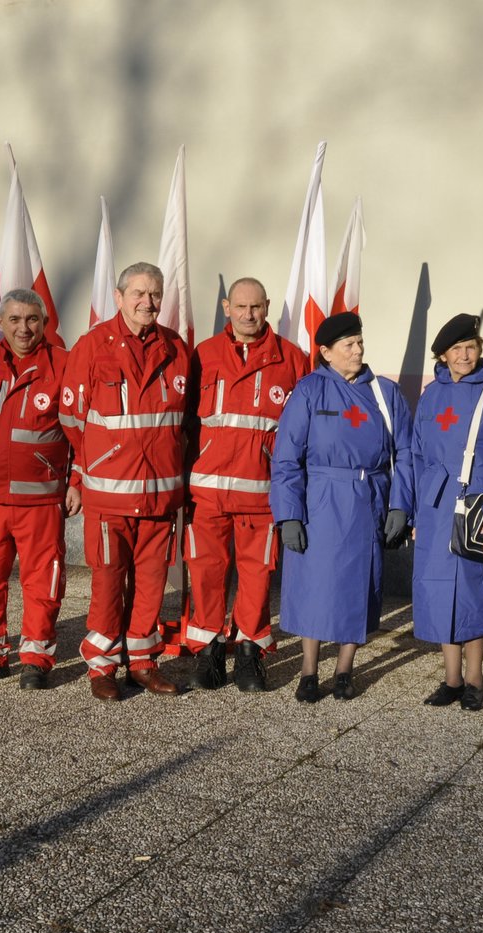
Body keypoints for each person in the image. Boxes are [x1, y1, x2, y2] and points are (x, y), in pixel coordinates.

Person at [60, 262, 196, 701]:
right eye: (139, 293)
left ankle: (142, 662)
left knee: (152, 581)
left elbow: (186, 422)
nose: (148, 302)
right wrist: (89, 466)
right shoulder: (93, 346)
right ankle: (101, 666)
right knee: (107, 582)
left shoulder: (176, 348)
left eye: (155, 294)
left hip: (159, 494)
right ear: (119, 297)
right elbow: (71, 418)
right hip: (109, 494)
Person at [270, 312, 413, 702]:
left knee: (359, 586)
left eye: (360, 342)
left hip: (367, 501)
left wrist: (401, 506)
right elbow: (286, 458)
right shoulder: (309, 391)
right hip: (318, 501)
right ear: (326, 352)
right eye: (348, 345)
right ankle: (309, 670)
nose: (358, 350)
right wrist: (289, 514)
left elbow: (406, 452)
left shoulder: (385, 393)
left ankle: (345, 670)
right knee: (315, 586)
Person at [184, 277, 308, 692]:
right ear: (226, 307)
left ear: (267, 307)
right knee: (206, 571)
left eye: (256, 307)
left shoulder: (292, 359)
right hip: (208, 491)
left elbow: (302, 433)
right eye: (241, 307)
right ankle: (209, 651)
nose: (248, 315)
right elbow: (183, 424)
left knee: (256, 575)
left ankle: (251, 652)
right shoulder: (203, 355)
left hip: (261, 492)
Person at [0, 289, 78, 691]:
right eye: (14, 320)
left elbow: (82, 431)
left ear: (44, 324)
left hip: (41, 499)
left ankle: (36, 656)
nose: (23, 328)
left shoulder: (63, 364)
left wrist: (75, 481)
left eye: (32, 320)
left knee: (42, 580)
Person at [410, 312, 483, 712]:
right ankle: (451, 679)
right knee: (440, 592)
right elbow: (416, 455)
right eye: (456, 349)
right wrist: (416, 513)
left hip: (480, 505)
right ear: (442, 355)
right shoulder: (430, 395)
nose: (465, 355)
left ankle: (475, 679)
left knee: (474, 591)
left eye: (471, 347)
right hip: (436, 507)